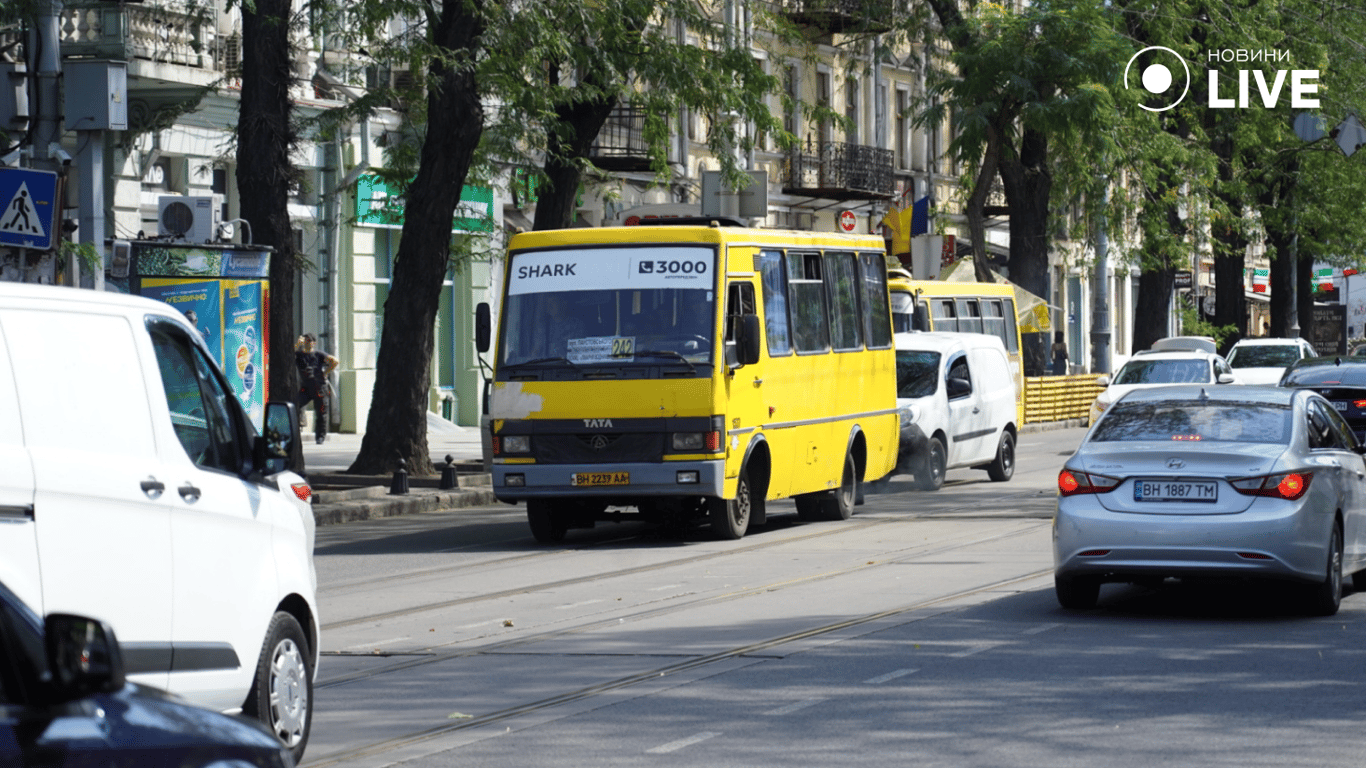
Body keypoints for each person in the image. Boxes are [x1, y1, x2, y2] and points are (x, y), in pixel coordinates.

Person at [295, 333, 339, 444]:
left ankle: (320, 437)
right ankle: (299, 422)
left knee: (321, 413)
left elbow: (335, 361)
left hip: (320, 388)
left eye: (309, 340)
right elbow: (287, 355)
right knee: (295, 404)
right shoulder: (299, 355)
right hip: (306, 388)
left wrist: (325, 372)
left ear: (314, 343)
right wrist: (297, 344)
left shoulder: (318, 354)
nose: (307, 342)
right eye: (305, 340)